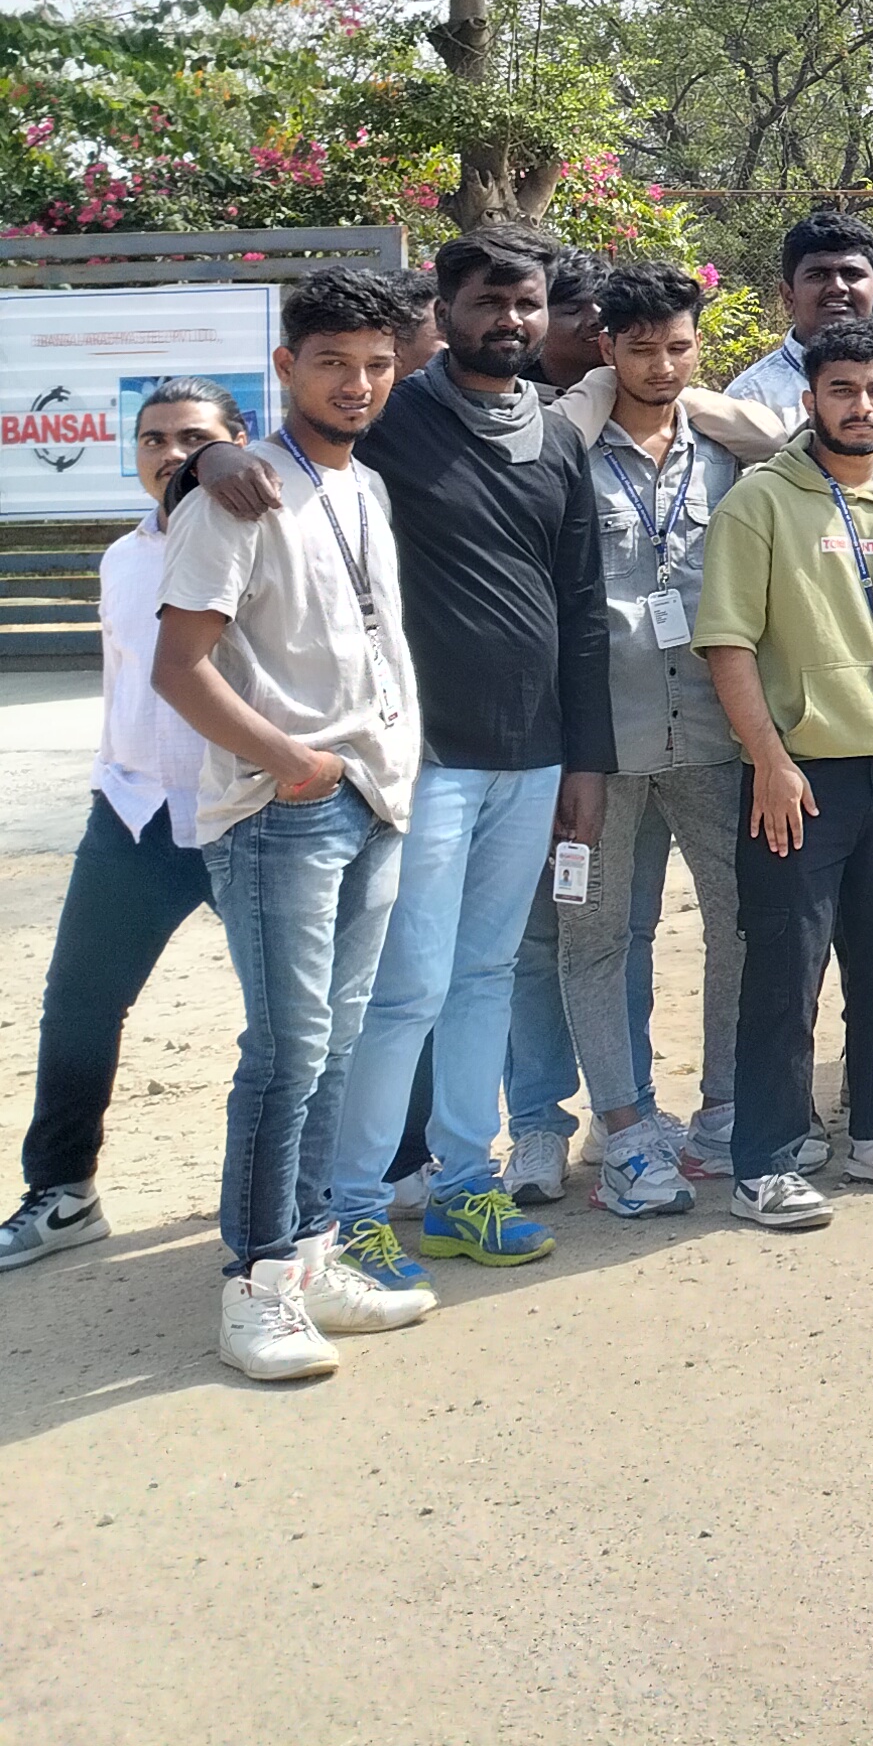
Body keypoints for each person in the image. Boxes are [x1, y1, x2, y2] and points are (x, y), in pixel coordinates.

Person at [194, 228, 609, 1291]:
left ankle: (468, 1186)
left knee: (482, 979)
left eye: (526, 302)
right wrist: (208, 455)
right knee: (405, 990)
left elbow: (581, 610)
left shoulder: (559, 437)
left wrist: (586, 762)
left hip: (534, 757)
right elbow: (269, 463)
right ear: (446, 306)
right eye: (486, 301)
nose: (508, 320)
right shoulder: (394, 418)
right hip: (421, 760)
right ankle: (353, 1206)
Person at [149, 268, 432, 1378]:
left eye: (374, 365)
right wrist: (291, 762)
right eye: (331, 364)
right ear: (284, 368)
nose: (357, 384)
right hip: (284, 811)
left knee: (337, 1043)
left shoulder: (361, 486)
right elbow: (182, 667)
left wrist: (364, 766)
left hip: (370, 798)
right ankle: (254, 1284)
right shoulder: (238, 489)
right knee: (288, 1050)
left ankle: (310, 1262)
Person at [693, 321, 873, 1228]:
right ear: (810, 398)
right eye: (842, 390)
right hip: (801, 779)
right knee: (785, 971)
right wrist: (770, 761)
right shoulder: (761, 503)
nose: (862, 407)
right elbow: (728, 644)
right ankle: (766, 1163)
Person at [4, 380, 246, 1272]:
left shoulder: (268, 539)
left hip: (244, 816)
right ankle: (63, 1193)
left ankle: (367, 1175)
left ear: (234, 442)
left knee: (304, 1018)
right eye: (152, 439)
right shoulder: (121, 555)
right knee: (78, 1003)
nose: (169, 454)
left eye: (192, 437)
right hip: (135, 818)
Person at [548, 264, 770, 1210]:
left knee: (743, 924)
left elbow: (789, 438)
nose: (662, 366)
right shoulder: (564, 452)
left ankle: (723, 1108)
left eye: (679, 346)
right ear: (605, 347)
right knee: (594, 935)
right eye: (640, 348)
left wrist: (707, 401)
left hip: (716, 737)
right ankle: (628, 1127)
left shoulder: (724, 455)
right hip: (601, 745)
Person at [727, 208, 873, 413]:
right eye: (818, 276)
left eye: (852, 274)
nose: (838, 287)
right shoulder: (752, 397)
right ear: (788, 296)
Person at [536, 252, 606, 390]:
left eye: (603, 304)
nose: (597, 318)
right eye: (573, 310)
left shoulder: (642, 391)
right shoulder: (508, 394)